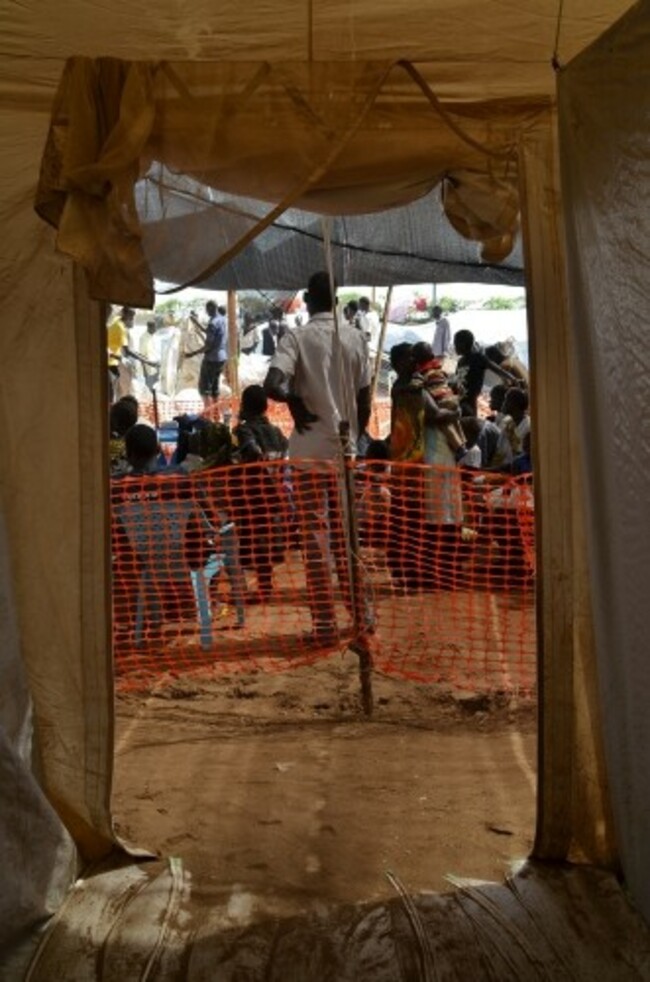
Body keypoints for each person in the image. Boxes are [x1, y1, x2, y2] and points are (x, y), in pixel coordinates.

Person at [263, 270, 371, 643]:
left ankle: (324, 623)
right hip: (345, 452)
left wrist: (293, 399)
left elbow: (271, 384)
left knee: (315, 537)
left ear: (307, 301)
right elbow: (364, 398)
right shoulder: (356, 338)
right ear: (337, 302)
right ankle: (362, 616)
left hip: (308, 451)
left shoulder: (296, 337)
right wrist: (356, 437)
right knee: (348, 536)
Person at [411, 341, 467, 460]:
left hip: (441, 400)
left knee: (444, 423)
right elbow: (447, 379)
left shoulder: (422, 373)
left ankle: (458, 448)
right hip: (451, 397)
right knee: (455, 421)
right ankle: (462, 443)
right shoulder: (437, 368)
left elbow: (422, 387)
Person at [452, 329, 518, 415]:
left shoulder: (478, 358)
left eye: (456, 344)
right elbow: (457, 380)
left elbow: (498, 370)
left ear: (464, 344)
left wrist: (513, 379)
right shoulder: (461, 361)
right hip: (460, 401)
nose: (454, 346)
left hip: (470, 403)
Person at [186, 300, 227, 410]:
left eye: (207, 310)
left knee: (205, 389)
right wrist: (197, 323)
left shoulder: (213, 323)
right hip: (221, 358)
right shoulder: (222, 319)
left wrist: (192, 354)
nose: (206, 312)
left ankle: (208, 415)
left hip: (211, 359)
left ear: (211, 308)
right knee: (215, 387)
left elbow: (208, 345)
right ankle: (216, 414)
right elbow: (209, 332)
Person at [139, 318, 162, 393]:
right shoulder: (143, 338)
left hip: (158, 367)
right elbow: (141, 355)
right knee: (150, 390)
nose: (156, 329)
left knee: (158, 389)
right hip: (149, 369)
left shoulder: (156, 337)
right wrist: (144, 371)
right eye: (154, 327)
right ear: (149, 327)